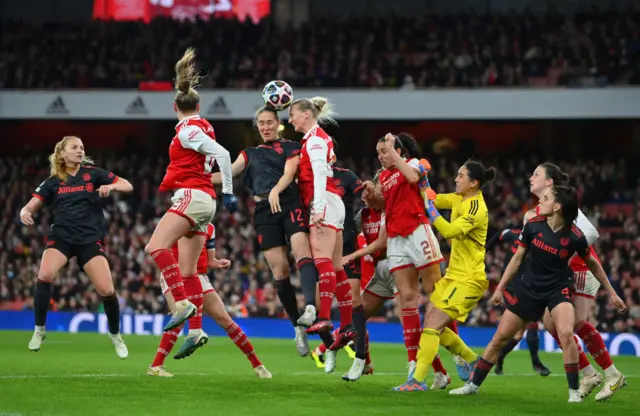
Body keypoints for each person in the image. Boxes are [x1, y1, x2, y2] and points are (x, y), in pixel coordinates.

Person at [449, 185, 626, 403]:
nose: (539, 202)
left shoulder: (575, 236)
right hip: (530, 288)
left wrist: (612, 293)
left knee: (565, 333)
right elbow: (517, 259)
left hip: (558, 289)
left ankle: (573, 393)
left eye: (545, 198)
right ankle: (473, 385)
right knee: (499, 338)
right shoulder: (533, 226)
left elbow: (594, 264)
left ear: (558, 206)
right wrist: (502, 287)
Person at [211, 106, 322, 357]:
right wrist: (193, 178)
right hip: (264, 210)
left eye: (270, 122)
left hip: (289, 201)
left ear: (278, 123)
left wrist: (276, 190)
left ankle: (311, 308)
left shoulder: (292, 147)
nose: (265, 127)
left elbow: (290, 171)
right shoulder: (249, 153)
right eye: (261, 123)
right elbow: (227, 174)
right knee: (280, 270)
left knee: (301, 249)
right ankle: (298, 327)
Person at [144, 48, 237, 332]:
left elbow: (223, 154)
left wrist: (229, 191)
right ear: (197, 106)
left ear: (176, 108)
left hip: (193, 196)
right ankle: (195, 332)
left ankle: (182, 304)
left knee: (155, 246)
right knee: (188, 271)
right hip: (204, 200)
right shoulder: (206, 126)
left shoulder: (187, 131)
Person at [21, 136, 133, 357]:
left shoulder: (94, 173)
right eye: (74, 147)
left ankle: (115, 336)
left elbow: (127, 185)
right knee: (44, 275)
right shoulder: (53, 181)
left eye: (82, 147)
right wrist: (25, 212)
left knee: (107, 290)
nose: (80, 151)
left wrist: (110, 187)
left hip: (90, 239)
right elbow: (30, 206)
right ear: (63, 153)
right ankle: (39, 331)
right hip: (61, 236)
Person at [394, 159, 495, 392]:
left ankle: (417, 381)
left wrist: (431, 210)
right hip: (454, 276)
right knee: (433, 325)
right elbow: (432, 196)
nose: (456, 179)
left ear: (473, 183)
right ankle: (471, 359)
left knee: (432, 324)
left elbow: (448, 229)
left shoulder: (476, 209)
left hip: (469, 279)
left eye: (461, 176)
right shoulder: (459, 198)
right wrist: (423, 178)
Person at [529, 163, 626, 400]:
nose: (531, 178)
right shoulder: (544, 205)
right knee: (552, 324)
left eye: (536, 174)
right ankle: (589, 373)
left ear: (549, 182)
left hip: (581, 268)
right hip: (567, 272)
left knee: (575, 323)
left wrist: (563, 258)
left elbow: (590, 233)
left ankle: (612, 374)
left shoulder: (562, 200)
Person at [148, 223, 271, 379]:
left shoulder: (210, 228)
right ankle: (156, 366)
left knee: (225, 320)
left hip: (198, 277)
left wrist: (218, 263)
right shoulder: (177, 220)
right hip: (175, 275)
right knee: (179, 317)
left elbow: (210, 259)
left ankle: (258, 366)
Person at [372, 133, 445, 386]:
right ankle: (415, 367)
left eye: (385, 151)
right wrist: (371, 196)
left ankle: (460, 356)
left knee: (436, 296)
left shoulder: (414, 163)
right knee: (406, 300)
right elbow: (385, 204)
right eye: (379, 152)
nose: (381, 156)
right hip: (396, 238)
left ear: (399, 151)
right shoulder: (383, 176)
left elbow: (414, 179)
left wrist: (394, 153)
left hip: (417, 231)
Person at [288, 97, 355, 350]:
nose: (291, 119)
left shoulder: (315, 140)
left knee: (322, 260)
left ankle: (325, 317)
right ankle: (347, 325)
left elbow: (317, 173)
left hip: (323, 201)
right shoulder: (319, 138)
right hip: (332, 202)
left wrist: (316, 207)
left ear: (306, 114)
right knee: (337, 268)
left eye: (293, 114)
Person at [485, 225, 551, 376]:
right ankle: (536, 363)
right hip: (509, 287)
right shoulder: (515, 234)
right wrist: (485, 250)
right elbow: (500, 234)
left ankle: (500, 358)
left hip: (524, 288)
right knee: (530, 324)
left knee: (519, 334)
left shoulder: (540, 244)